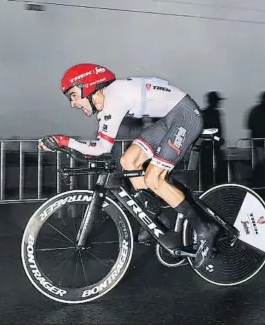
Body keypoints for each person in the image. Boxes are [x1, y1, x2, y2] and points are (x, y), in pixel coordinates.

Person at [38, 63, 219, 269]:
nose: (73, 103)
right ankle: (157, 218)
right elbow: (99, 147)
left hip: (186, 115)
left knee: (153, 177)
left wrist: (63, 141)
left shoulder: (116, 97)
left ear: (87, 86)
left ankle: (205, 228)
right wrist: (65, 144)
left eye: (73, 95)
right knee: (128, 161)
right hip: (171, 118)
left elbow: (101, 148)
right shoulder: (107, 104)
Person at [200, 91, 228, 188]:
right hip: (211, 146)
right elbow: (211, 133)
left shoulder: (204, 113)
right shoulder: (213, 113)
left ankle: (207, 188)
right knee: (216, 168)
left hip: (206, 146)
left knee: (207, 170)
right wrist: (218, 139)